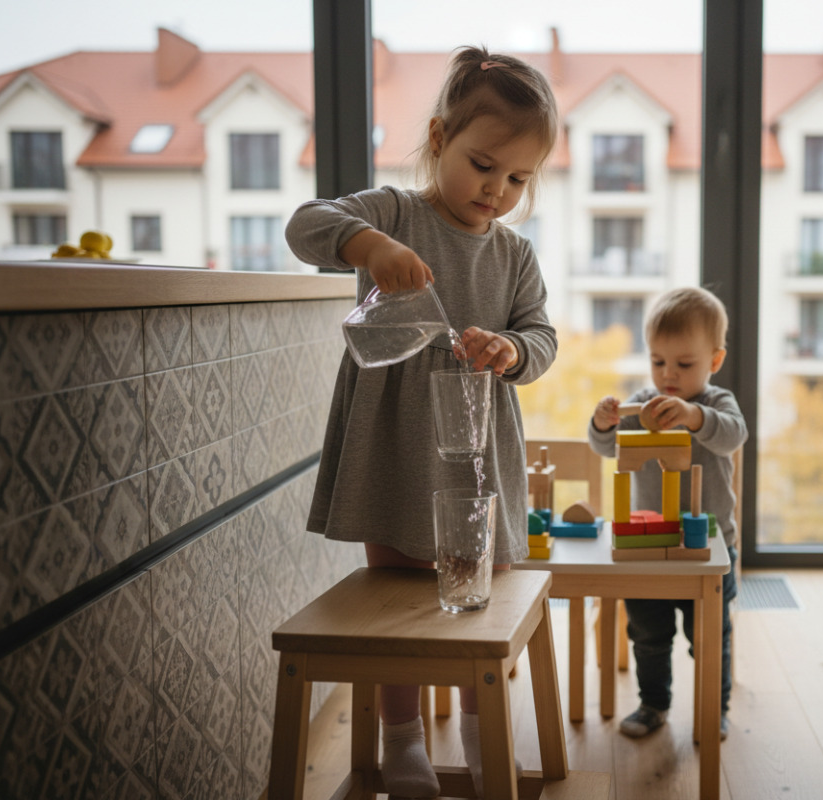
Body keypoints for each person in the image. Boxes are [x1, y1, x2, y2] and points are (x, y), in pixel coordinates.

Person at [285, 45, 559, 798]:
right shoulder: (396, 213)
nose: (497, 191)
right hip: (395, 446)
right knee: (398, 601)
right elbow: (308, 224)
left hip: (478, 450)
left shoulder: (515, 255)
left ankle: (479, 730)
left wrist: (510, 349)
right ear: (438, 139)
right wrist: (367, 245)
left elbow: (542, 337)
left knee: (481, 602)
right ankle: (402, 739)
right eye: (483, 166)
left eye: (518, 179)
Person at [588, 286, 747, 741]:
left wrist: (693, 416)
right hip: (648, 545)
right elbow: (604, 447)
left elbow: (733, 436)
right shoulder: (643, 403)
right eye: (658, 362)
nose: (668, 375)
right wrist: (603, 422)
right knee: (649, 636)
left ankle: (714, 709)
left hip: (711, 547)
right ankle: (653, 703)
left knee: (710, 637)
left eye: (684, 364)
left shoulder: (717, 404)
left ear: (714, 361)